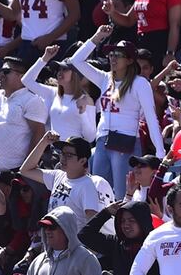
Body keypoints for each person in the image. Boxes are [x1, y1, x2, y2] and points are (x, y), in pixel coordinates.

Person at [69, 27, 165, 198]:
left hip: (126, 141)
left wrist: (160, 153)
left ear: (129, 60)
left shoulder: (140, 83)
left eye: (118, 55)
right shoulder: (105, 78)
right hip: (102, 140)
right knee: (99, 192)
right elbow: (76, 60)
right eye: (111, 54)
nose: (113, 58)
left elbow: (151, 118)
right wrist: (97, 36)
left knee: (122, 195)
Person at [18, 133, 107, 220]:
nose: (63, 158)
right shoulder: (57, 175)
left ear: (82, 161)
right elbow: (25, 170)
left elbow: (92, 221)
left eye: (69, 155)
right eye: (62, 153)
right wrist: (44, 142)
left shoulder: (87, 186)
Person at [0, 55, 49, 171]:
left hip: (15, 170)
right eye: (0, 71)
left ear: (21, 76)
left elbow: (38, 134)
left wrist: (26, 167)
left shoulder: (31, 100)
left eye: (6, 71)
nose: (0, 75)